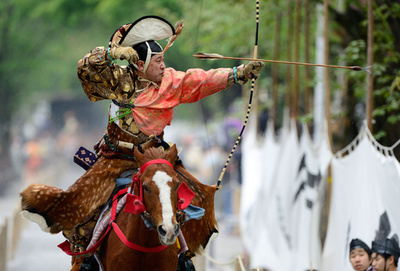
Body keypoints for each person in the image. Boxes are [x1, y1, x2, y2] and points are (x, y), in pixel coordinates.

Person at [20, 15, 264, 268]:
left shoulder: (170, 83)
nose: (163, 66)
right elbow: (86, 69)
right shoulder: (119, 80)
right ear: (140, 64)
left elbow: (200, 80)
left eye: (163, 60)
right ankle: (85, 260)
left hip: (157, 158)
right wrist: (111, 52)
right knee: (80, 205)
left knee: (196, 197)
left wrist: (238, 73)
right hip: (115, 159)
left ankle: (183, 257)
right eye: (157, 61)